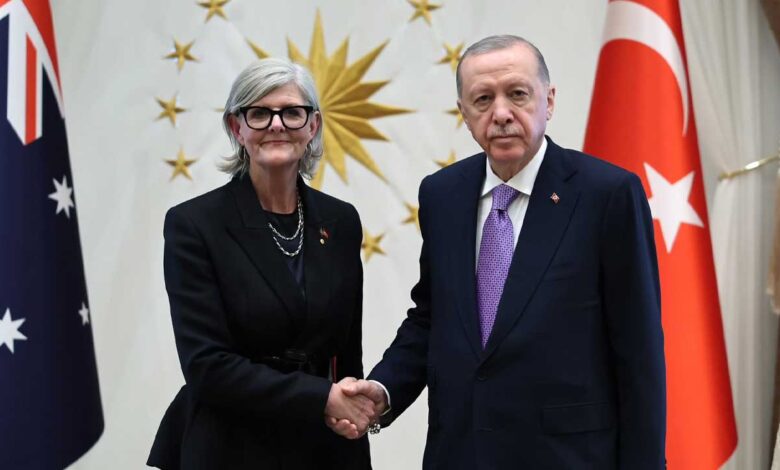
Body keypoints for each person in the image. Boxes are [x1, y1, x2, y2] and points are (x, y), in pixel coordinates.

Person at [337, 35, 666, 469]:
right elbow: (433, 317)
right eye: (483, 99)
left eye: (517, 94)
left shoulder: (607, 194)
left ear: (549, 101)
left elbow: (639, 350)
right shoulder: (442, 194)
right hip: (461, 454)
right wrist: (383, 389)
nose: (502, 113)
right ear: (464, 113)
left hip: (567, 457)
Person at [147, 58, 375, 470]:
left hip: (322, 447)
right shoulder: (194, 225)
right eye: (259, 113)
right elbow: (206, 366)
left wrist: (353, 425)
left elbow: (346, 355)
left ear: (313, 126)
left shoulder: (340, 221)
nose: (276, 125)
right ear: (237, 128)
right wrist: (321, 398)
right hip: (229, 446)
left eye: (292, 112)